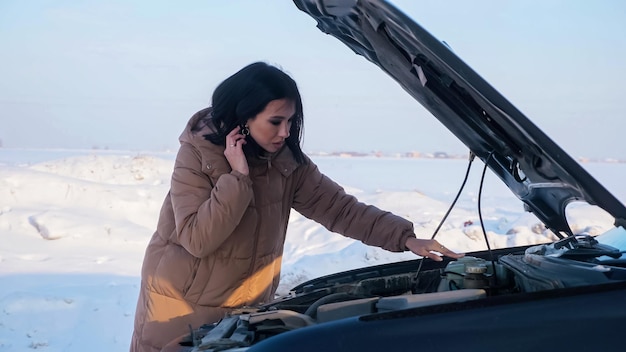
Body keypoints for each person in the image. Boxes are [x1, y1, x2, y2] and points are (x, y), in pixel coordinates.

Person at [129, 62, 464, 352]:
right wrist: (238, 178)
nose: (285, 132)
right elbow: (197, 239)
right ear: (243, 118)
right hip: (179, 307)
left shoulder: (286, 164)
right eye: (275, 122)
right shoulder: (197, 155)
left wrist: (405, 239)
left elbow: (340, 209)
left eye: (290, 121)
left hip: (244, 308)